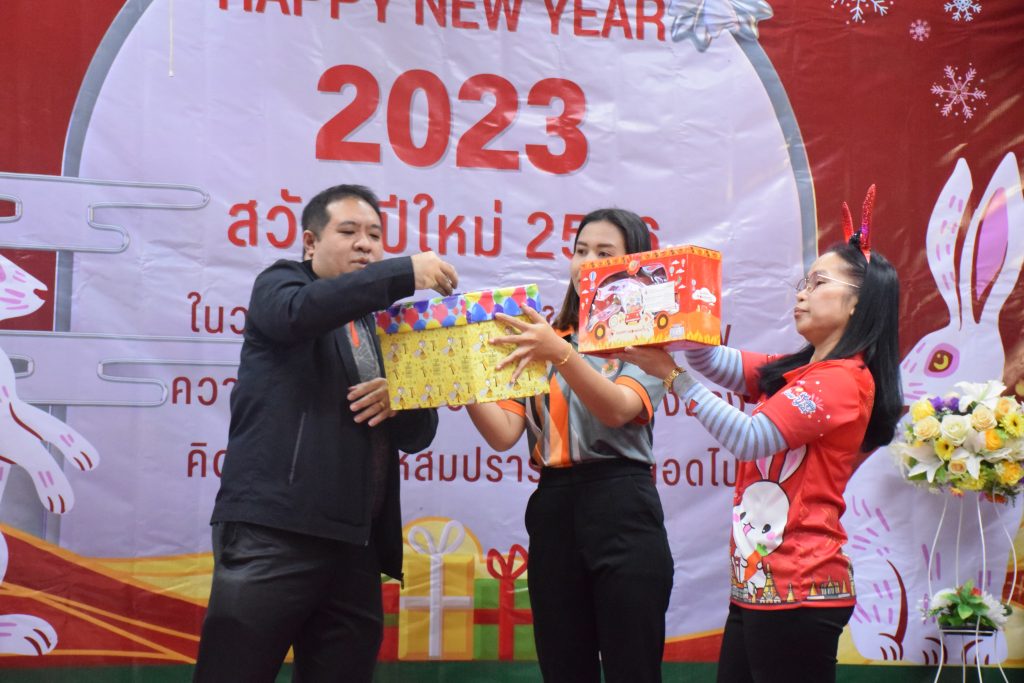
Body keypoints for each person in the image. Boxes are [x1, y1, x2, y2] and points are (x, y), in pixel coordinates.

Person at [619, 193, 902, 683]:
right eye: (803, 282)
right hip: (761, 589)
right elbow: (710, 359)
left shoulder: (841, 381)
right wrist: (685, 312)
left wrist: (671, 376)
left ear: (858, 302)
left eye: (818, 283)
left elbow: (749, 438)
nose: (802, 294)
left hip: (802, 587)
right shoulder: (799, 370)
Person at [193, 184, 459, 682]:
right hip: (274, 533)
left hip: (356, 545)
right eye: (349, 231)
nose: (365, 244)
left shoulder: (384, 324)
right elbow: (299, 314)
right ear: (310, 243)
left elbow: (419, 434)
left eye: (375, 235)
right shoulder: (281, 287)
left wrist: (401, 398)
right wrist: (403, 272)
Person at [465, 209, 675, 683]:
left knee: (633, 668)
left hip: (622, 504)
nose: (586, 263)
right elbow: (503, 434)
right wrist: (462, 381)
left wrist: (561, 354)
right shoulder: (543, 338)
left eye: (604, 253)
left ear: (634, 265)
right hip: (554, 509)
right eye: (581, 251)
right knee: (563, 668)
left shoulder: (645, 341)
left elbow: (618, 409)